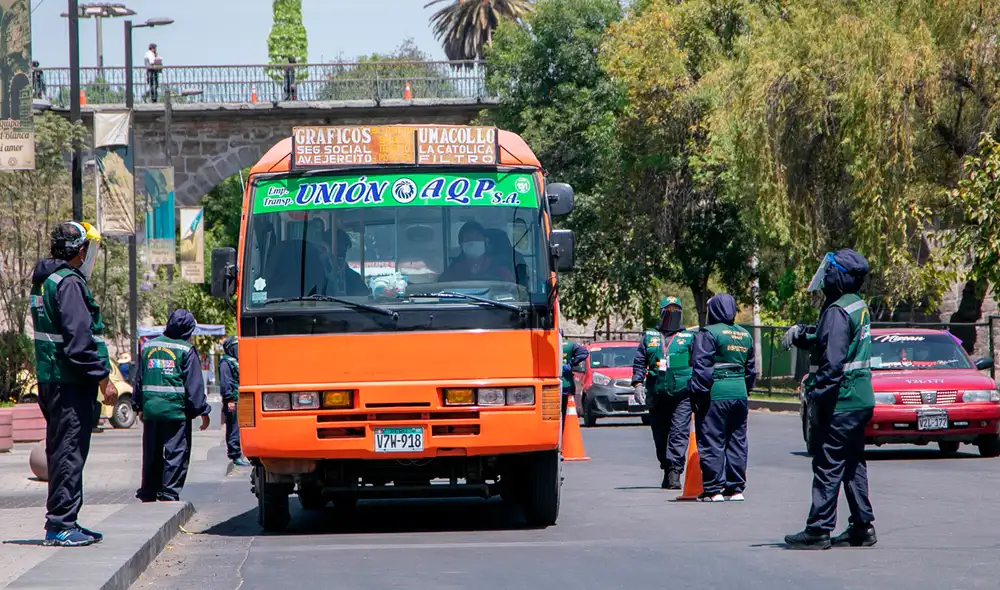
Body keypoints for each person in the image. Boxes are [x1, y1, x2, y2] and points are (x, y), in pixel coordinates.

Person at [30, 221, 117, 547]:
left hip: (52, 379)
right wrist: (103, 380)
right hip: (69, 383)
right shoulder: (69, 284)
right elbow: (80, 342)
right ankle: (61, 524)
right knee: (68, 452)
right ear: (80, 251)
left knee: (61, 450)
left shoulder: (45, 281)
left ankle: (66, 520)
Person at [783, 249, 876, 550]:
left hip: (842, 399)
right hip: (860, 398)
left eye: (829, 271)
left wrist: (815, 395)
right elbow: (832, 339)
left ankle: (818, 530)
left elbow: (832, 363)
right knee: (852, 463)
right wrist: (802, 334)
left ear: (838, 276)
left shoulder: (837, 311)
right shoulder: (856, 306)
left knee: (828, 463)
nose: (824, 277)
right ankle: (862, 527)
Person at [133, 309, 211, 502]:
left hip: (151, 410)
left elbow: (139, 379)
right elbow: (194, 386)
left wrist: (139, 406)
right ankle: (168, 492)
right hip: (175, 412)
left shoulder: (149, 347)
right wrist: (202, 411)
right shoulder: (185, 350)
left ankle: (149, 490)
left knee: (151, 451)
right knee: (176, 452)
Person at [688, 293, 756, 502]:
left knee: (712, 439)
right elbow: (751, 370)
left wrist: (697, 396)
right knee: (737, 441)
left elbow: (702, 368)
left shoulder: (708, 333)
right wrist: (743, 390)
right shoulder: (745, 335)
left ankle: (713, 489)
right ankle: (735, 489)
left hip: (716, 393)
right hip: (739, 394)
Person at [630, 296, 695, 489]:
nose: (672, 314)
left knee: (678, 433)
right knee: (660, 436)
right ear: (661, 313)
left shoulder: (690, 337)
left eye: (676, 311)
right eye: (669, 311)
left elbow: (698, 363)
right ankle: (666, 467)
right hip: (656, 393)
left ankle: (675, 472)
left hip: (682, 395)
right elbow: (639, 362)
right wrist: (637, 384)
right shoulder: (649, 337)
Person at [439, 221, 515, 283]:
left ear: (486, 242)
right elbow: (439, 289)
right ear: (461, 244)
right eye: (468, 239)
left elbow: (514, 292)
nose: (473, 242)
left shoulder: (500, 270)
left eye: (477, 238)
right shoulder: (453, 271)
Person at [220, 336, 249, 467]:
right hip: (233, 401)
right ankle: (235, 454)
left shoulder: (237, 361)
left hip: (242, 399)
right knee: (233, 428)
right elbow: (226, 383)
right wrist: (229, 399)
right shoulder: (226, 362)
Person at [561, 330, 588, 419]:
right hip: (566, 383)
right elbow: (584, 352)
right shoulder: (569, 344)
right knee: (565, 409)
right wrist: (572, 364)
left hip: (549, 382)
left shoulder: (544, 343)